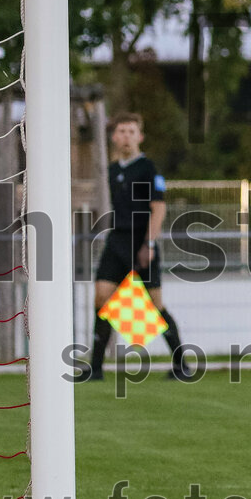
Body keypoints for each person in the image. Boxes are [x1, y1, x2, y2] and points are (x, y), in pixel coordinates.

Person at [77, 112, 192, 382]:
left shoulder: (147, 168)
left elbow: (159, 209)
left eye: (131, 131)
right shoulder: (113, 169)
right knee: (101, 298)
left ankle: (182, 365)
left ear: (139, 136)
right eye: (121, 131)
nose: (126, 136)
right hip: (117, 240)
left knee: (154, 304)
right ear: (114, 137)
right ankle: (95, 368)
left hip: (141, 242)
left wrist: (149, 244)